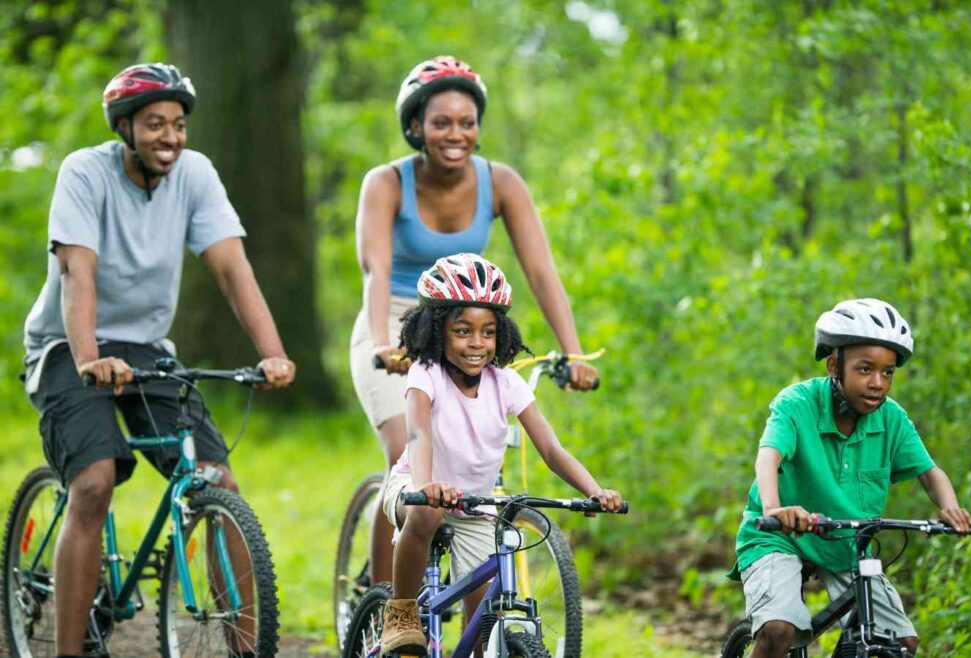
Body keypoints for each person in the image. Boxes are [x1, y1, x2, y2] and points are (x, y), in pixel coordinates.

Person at [21, 62, 295, 658]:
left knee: (218, 481)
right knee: (93, 482)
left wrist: (272, 353)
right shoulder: (85, 173)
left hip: (145, 349)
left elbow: (231, 267)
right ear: (124, 127)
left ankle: (250, 649)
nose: (170, 136)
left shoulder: (194, 175)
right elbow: (77, 272)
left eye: (177, 124)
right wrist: (90, 357)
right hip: (68, 346)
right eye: (154, 124)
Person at [352, 55, 600, 584]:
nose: (455, 134)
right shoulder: (386, 182)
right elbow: (377, 269)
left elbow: (540, 270)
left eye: (467, 122)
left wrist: (573, 352)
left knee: (473, 474)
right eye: (441, 122)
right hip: (399, 320)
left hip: (466, 319)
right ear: (415, 125)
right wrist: (381, 342)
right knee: (407, 453)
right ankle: (381, 599)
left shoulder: (501, 182)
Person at [376, 254, 621, 655]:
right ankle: (401, 614)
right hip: (414, 488)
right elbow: (418, 434)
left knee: (484, 629)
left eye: (488, 332)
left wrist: (594, 489)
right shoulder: (426, 373)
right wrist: (426, 486)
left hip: (474, 506)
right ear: (438, 332)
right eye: (463, 331)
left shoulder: (506, 383)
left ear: (501, 334)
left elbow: (550, 448)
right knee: (426, 514)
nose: (477, 343)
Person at [728, 298, 971, 658]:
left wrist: (950, 508)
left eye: (887, 372)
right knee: (779, 630)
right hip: (779, 536)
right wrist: (775, 508)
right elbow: (769, 457)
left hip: (846, 545)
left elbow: (929, 472)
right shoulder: (796, 403)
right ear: (834, 365)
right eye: (865, 369)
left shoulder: (891, 419)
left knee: (900, 642)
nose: (877, 383)